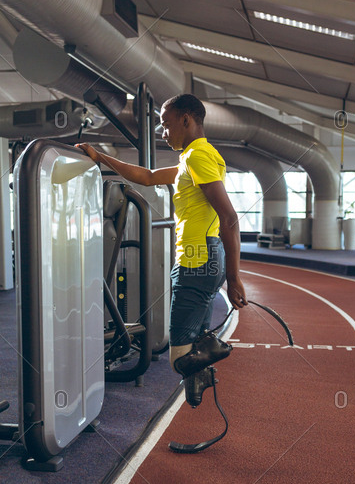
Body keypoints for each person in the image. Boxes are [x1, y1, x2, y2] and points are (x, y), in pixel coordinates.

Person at [77, 93, 247, 407]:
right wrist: (101, 157)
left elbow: (230, 218)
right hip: (202, 259)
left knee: (178, 358)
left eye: (166, 125)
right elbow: (149, 177)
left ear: (186, 120)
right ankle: (202, 362)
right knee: (191, 344)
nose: (163, 132)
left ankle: (213, 349)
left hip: (197, 260)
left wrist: (235, 278)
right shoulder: (194, 157)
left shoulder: (198, 157)